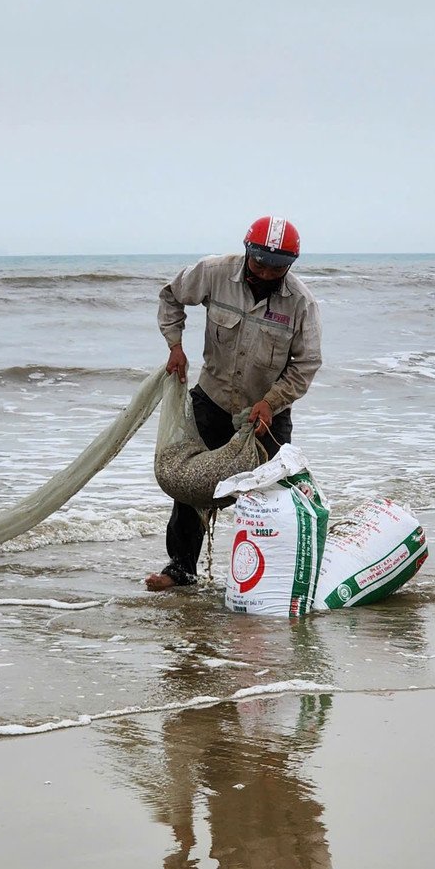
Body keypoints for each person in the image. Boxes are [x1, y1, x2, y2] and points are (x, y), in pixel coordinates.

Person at [146, 216, 322, 591]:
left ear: (290, 265)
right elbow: (171, 296)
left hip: (266, 413)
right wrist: (175, 346)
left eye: (277, 266)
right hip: (212, 399)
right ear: (247, 250)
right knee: (191, 490)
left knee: (274, 494)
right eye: (259, 261)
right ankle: (180, 570)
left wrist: (272, 402)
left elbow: (306, 363)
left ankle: (273, 577)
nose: (266, 271)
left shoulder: (301, 303)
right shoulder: (214, 273)